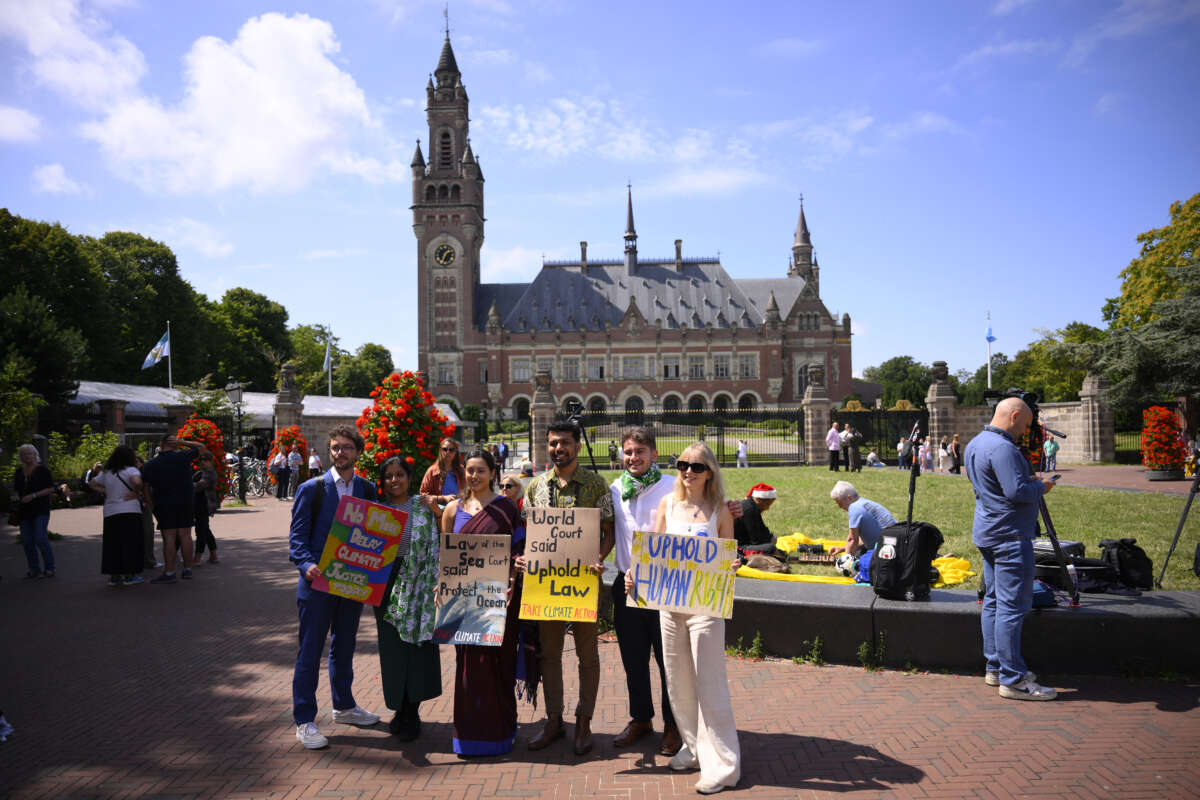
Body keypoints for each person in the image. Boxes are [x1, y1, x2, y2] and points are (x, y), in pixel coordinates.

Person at [633, 442, 741, 794]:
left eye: (696, 466)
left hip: (705, 607)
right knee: (678, 682)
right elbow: (655, 549)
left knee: (710, 685)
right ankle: (693, 748)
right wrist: (638, 574)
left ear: (710, 472)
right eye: (682, 465)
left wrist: (733, 566)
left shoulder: (720, 510)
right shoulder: (669, 504)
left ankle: (723, 767)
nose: (688, 472)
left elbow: (729, 555)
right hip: (670, 606)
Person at [520, 420, 614, 756]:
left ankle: (584, 719)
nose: (558, 448)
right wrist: (524, 559)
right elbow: (530, 534)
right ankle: (554, 719)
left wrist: (600, 557)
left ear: (576, 445)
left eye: (564, 443)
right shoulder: (536, 488)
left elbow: (609, 531)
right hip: (546, 585)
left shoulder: (594, 485)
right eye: (553, 443)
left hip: (583, 584)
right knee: (550, 654)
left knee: (588, 655)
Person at [288, 425, 382, 749]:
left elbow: (374, 535)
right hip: (317, 585)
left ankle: (344, 706)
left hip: (351, 583)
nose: (339, 453)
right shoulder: (312, 489)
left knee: (344, 647)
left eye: (345, 448)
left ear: (357, 452)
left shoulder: (367, 489)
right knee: (310, 651)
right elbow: (297, 538)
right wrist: (305, 564)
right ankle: (304, 720)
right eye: (334, 448)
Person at [964, 397, 1058, 701]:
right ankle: (1013, 678)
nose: (1025, 431)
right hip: (1010, 537)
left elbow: (993, 485)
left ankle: (995, 667)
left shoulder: (976, 443)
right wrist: (1042, 486)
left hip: (989, 532)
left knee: (992, 601)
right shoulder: (1003, 448)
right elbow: (1017, 492)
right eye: (1026, 425)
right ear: (1015, 416)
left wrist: (1025, 480)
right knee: (1011, 608)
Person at [442, 449, 530, 756]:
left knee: (498, 667)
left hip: (498, 601)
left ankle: (502, 732)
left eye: (480, 470)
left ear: (493, 473)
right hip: (464, 602)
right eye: (469, 470)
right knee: (467, 669)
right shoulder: (453, 510)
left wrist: (516, 566)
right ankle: (467, 737)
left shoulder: (506, 509)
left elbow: (519, 547)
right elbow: (446, 555)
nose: (474, 476)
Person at [607, 427, 682, 757]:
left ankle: (673, 724)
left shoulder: (673, 485)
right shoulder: (615, 489)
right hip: (626, 585)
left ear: (653, 453)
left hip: (665, 585)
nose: (633, 457)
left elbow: (704, 512)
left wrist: (732, 507)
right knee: (633, 659)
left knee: (669, 661)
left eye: (640, 451)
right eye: (628, 452)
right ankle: (641, 719)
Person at [374, 457, 441, 741]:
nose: (394, 480)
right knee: (392, 649)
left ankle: (412, 710)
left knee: (416, 646)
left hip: (419, 582)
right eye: (388, 476)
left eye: (399, 474)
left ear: (409, 477)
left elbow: (437, 541)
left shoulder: (422, 507)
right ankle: (398, 707)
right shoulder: (376, 510)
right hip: (385, 582)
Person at [141, 435, 207, 584]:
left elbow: (144, 486)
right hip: (185, 502)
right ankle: (188, 569)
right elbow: (201, 447)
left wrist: (151, 503)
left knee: (169, 537)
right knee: (186, 535)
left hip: (164, 503)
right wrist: (183, 442)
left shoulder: (151, 463)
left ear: (161, 444)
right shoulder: (183, 456)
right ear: (174, 444)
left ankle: (170, 571)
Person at [90, 445, 146, 586]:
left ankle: (114, 576)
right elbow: (137, 482)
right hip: (129, 511)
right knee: (130, 543)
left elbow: (92, 483)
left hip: (110, 512)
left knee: (112, 544)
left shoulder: (107, 472)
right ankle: (129, 575)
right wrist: (136, 492)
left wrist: (106, 490)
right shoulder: (131, 470)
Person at [14, 444, 56, 579]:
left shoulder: (42, 470)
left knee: (40, 538)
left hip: (40, 509)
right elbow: (17, 489)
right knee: (26, 541)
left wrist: (33, 495)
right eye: (24, 454)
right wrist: (16, 497)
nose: (27, 456)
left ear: (35, 454)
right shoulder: (19, 472)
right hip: (24, 511)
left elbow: (51, 488)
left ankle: (50, 568)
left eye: (29, 453)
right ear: (21, 457)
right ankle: (34, 569)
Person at [828, 481, 897, 556]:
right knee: (858, 554)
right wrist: (843, 548)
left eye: (840, 503)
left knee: (860, 561)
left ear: (849, 498)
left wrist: (845, 561)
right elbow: (867, 539)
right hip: (895, 546)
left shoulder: (854, 508)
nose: (839, 507)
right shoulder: (864, 503)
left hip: (886, 552)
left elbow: (852, 540)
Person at [733, 483, 777, 555]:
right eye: (767, 504)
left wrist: (770, 537)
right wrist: (770, 540)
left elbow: (761, 528)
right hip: (738, 548)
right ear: (758, 499)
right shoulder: (749, 510)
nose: (767, 508)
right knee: (770, 548)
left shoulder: (752, 506)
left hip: (744, 542)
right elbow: (756, 540)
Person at [420, 437, 465, 506]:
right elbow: (423, 496)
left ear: (456, 452)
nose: (448, 452)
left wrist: (462, 495)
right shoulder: (432, 471)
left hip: (460, 511)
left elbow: (470, 491)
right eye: (444, 449)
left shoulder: (462, 470)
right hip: (439, 513)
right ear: (440, 451)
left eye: (451, 450)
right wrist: (443, 498)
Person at [192, 453, 220, 564]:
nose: (202, 461)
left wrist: (187, 483)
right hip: (199, 504)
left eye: (205, 459)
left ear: (211, 461)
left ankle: (197, 557)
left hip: (204, 505)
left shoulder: (209, 473)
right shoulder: (201, 471)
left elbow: (199, 486)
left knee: (201, 531)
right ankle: (214, 555)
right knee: (205, 529)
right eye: (201, 459)